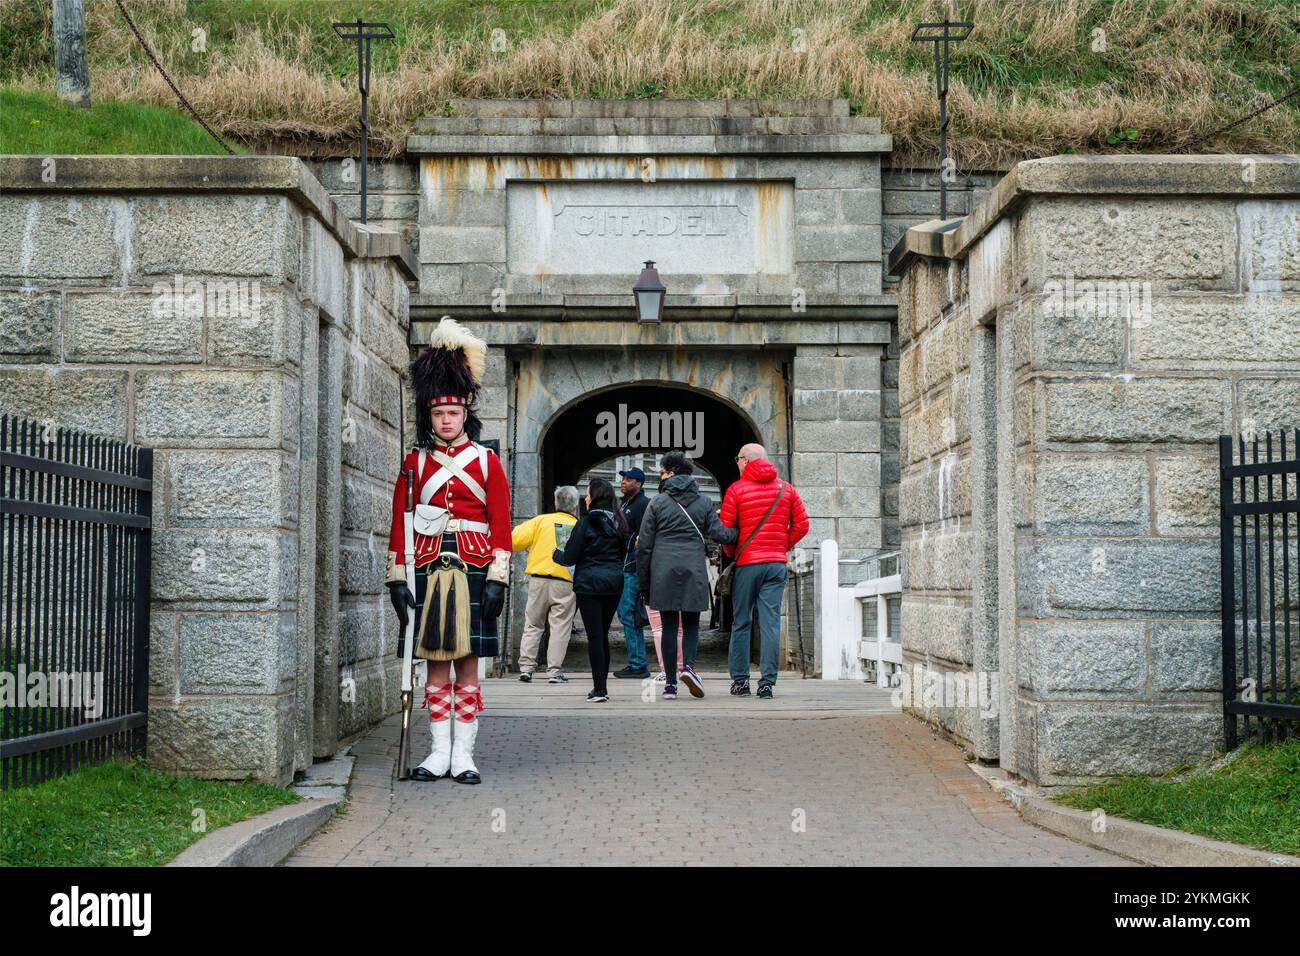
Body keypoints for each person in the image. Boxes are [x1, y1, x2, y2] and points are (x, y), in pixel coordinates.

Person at [385, 316, 511, 784]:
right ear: (430, 415)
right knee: (436, 666)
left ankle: (465, 756)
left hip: (475, 567)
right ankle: (438, 755)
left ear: (465, 415)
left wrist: (498, 578)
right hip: (428, 570)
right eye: (438, 414)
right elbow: (399, 525)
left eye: (453, 414)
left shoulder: (487, 461)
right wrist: (398, 579)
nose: (445, 420)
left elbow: (501, 522)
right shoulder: (414, 463)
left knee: (468, 667)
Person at [635, 452, 737, 699]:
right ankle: (688, 668)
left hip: (663, 571)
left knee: (669, 626)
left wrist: (644, 583)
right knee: (691, 625)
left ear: (671, 473)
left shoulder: (656, 503)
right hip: (693, 569)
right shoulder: (703, 502)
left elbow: (645, 547)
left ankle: (670, 685)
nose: (660, 475)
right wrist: (741, 530)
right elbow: (720, 534)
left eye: (662, 471)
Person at [718, 443, 808, 700]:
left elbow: (726, 530)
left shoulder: (736, 490)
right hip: (776, 565)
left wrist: (732, 553)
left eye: (737, 458)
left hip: (747, 564)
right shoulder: (786, 489)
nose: (736, 463)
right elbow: (802, 525)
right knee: (770, 623)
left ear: (745, 461)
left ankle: (740, 682)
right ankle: (767, 683)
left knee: (741, 621)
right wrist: (782, 545)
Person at [554, 477, 629, 702]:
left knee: (595, 636)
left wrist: (555, 554)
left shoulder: (585, 523)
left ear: (594, 497)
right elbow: (625, 553)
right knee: (602, 635)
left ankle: (599, 690)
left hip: (589, 585)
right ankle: (601, 687)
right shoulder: (620, 522)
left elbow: (569, 557)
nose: (584, 498)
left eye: (587, 494)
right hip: (613, 584)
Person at [511, 486, 580, 684]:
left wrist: (530, 547)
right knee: (560, 627)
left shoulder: (540, 521)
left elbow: (514, 540)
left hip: (539, 579)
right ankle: (554, 671)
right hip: (565, 582)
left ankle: (526, 668)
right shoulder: (578, 526)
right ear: (575, 506)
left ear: (556, 502)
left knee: (533, 624)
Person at [613, 467, 652, 680]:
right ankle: (636, 662)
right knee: (626, 614)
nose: (624, 482)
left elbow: (644, 537)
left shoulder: (643, 505)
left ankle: (638, 664)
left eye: (629, 479)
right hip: (625, 566)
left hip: (632, 567)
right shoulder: (626, 504)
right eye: (623, 479)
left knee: (629, 614)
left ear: (639, 483)